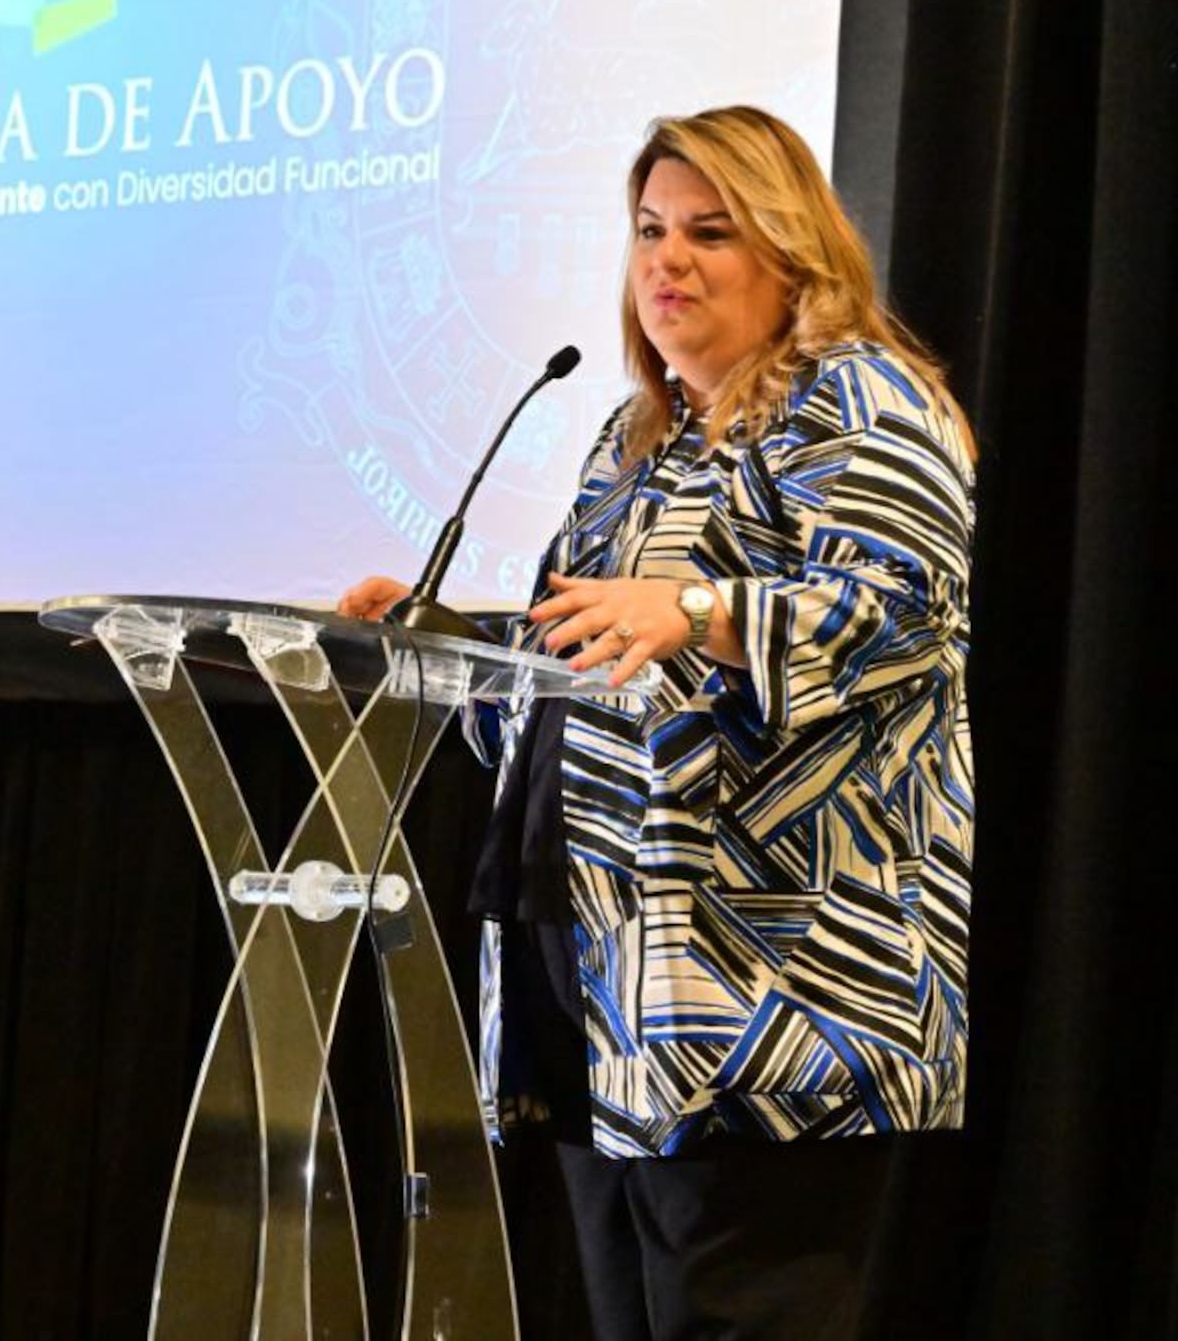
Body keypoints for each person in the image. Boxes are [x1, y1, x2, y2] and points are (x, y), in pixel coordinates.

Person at [340, 106, 976, 1339]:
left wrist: (691, 607)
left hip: (779, 989)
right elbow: (578, 681)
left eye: (708, 232)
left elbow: (902, 611)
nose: (664, 262)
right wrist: (438, 653)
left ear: (792, 252)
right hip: (605, 979)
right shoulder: (635, 439)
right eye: (647, 231)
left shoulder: (858, 396)